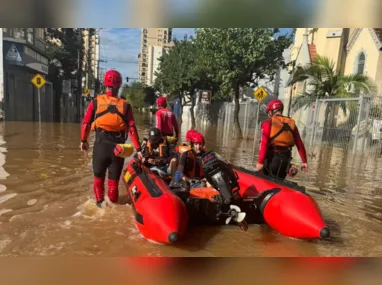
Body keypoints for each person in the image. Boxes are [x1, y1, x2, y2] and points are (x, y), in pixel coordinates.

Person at [80, 69, 143, 207]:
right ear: (119, 85)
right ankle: (113, 205)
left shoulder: (95, 102)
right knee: (113, 183)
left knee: (98, 179)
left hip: (100, 146)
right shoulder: (126, 106)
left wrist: (83, 141)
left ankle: (99, 205)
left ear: (104, 84)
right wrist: (138, 149)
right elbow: (132, 128)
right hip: (118, 149)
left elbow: (86, 124)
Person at [256, 99, 308, 179]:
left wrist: (260, 162)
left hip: (272, 159)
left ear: (270, 112)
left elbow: (264, 143)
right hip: (286, 160)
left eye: (268, 113)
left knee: (263, 178)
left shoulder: (267, 123)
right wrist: (304, 161)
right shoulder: (291, 123)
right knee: (280, 180)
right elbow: (299, 143)